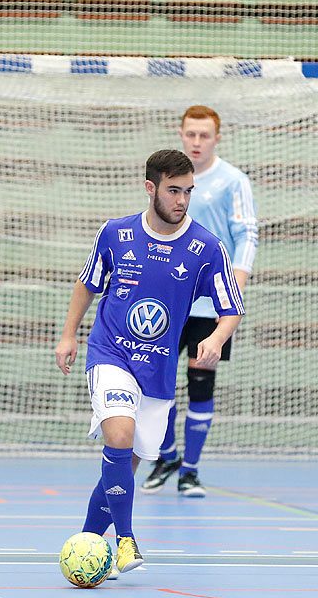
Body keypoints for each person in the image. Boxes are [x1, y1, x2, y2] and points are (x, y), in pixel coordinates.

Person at [55, 148, 243, 573]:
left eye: (188, 192)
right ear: (150, 188)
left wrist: (214, 337)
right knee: (118, 437)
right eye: (173, 190)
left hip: (157, 368)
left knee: (129, 462)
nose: (181, 200)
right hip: (110, 352)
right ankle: (126, 540)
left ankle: (86, 546)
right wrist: (69, 334)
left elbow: (231, 305)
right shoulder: (115, 233)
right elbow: (87, 284)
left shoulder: (206, 247)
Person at [140, 106, 257, 498]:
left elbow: (247, 234)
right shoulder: (171, 182)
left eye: (204, 135)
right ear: (181, 134)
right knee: (158, 384)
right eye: (190, 134)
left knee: (201, 381)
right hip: (169, 302)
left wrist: (234, 283)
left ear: (216, 138)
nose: (196, 141)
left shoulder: (232, 182)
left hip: (209, 305)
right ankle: (167, 455)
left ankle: (190, 470)